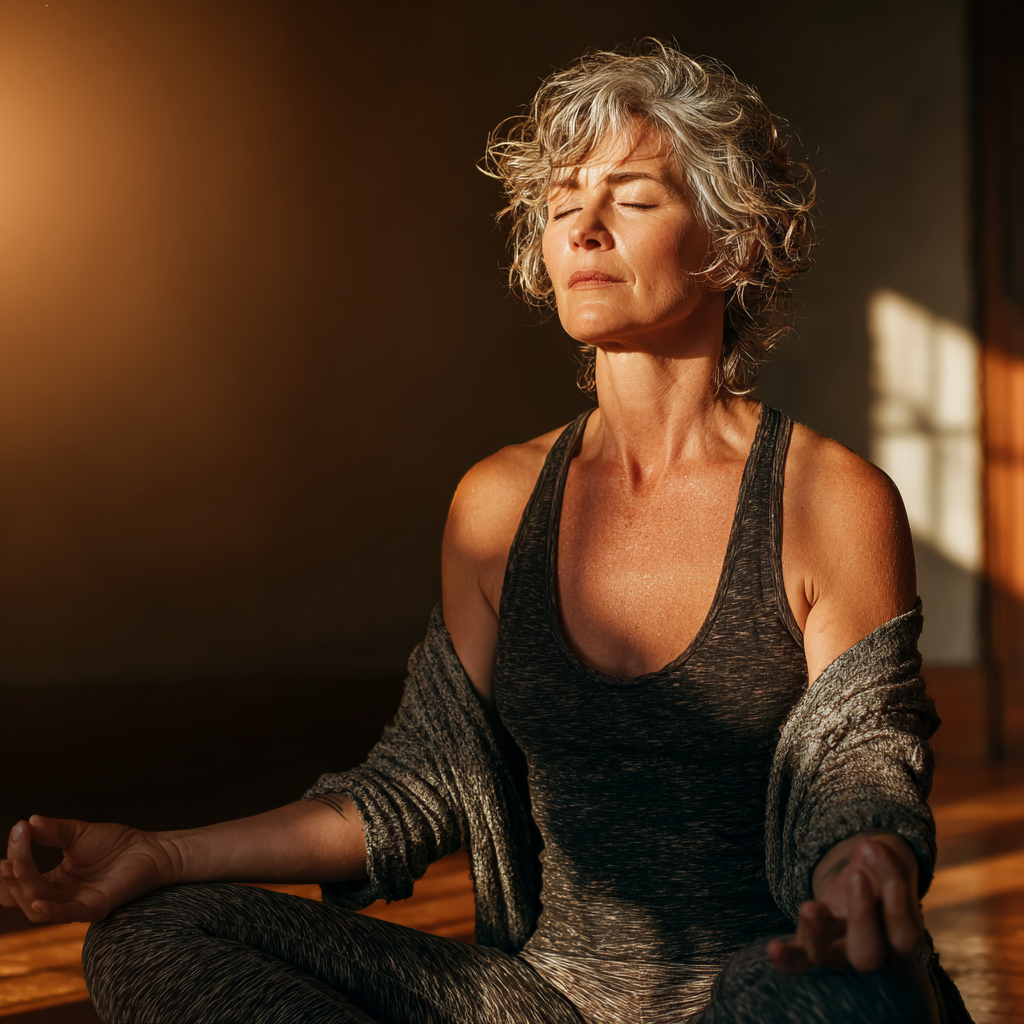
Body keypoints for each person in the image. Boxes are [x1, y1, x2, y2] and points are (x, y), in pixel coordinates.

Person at [0, 42, 969, 1024]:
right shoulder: (497, 504)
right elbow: (420, 781)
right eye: (560, 206)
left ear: (732, 247)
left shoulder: (826, 495)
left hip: (769, 983)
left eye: (630, 199)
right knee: (151, 931)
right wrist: (160, 854)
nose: (584, 227)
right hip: (541, 1002)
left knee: (842, 995)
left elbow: (858, 765)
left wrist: (863, 866)